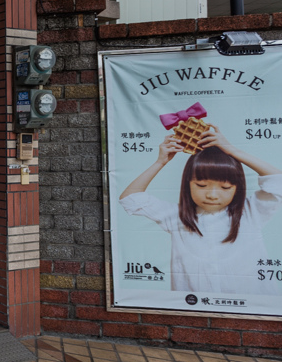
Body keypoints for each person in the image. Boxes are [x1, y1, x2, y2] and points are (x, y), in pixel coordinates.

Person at [119, 124, 282, 294]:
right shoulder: (176, 216)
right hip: (194, 305)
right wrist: (160, 162)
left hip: (252, 303)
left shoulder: (251, 212)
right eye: (201, 185)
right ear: (187, 184)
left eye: (225, 187)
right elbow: (130, 198)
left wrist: (233, 151)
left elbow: (278, 181)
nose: (212, 195)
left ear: (237, 187)